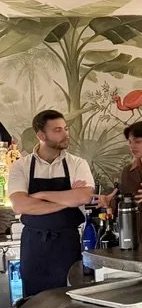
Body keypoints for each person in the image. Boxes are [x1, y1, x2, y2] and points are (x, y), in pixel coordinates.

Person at [8, 109, 95, 297]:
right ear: (41, 135)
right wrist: (68, 200)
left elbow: (84, 197)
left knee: (70, 300)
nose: (65, 134)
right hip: (33, 245)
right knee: (35, 302)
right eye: (57, 130)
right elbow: (20, 206)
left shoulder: (77, 164)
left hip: (68, 243)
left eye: (65, 128)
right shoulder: (21, 166)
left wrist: (40, 195)